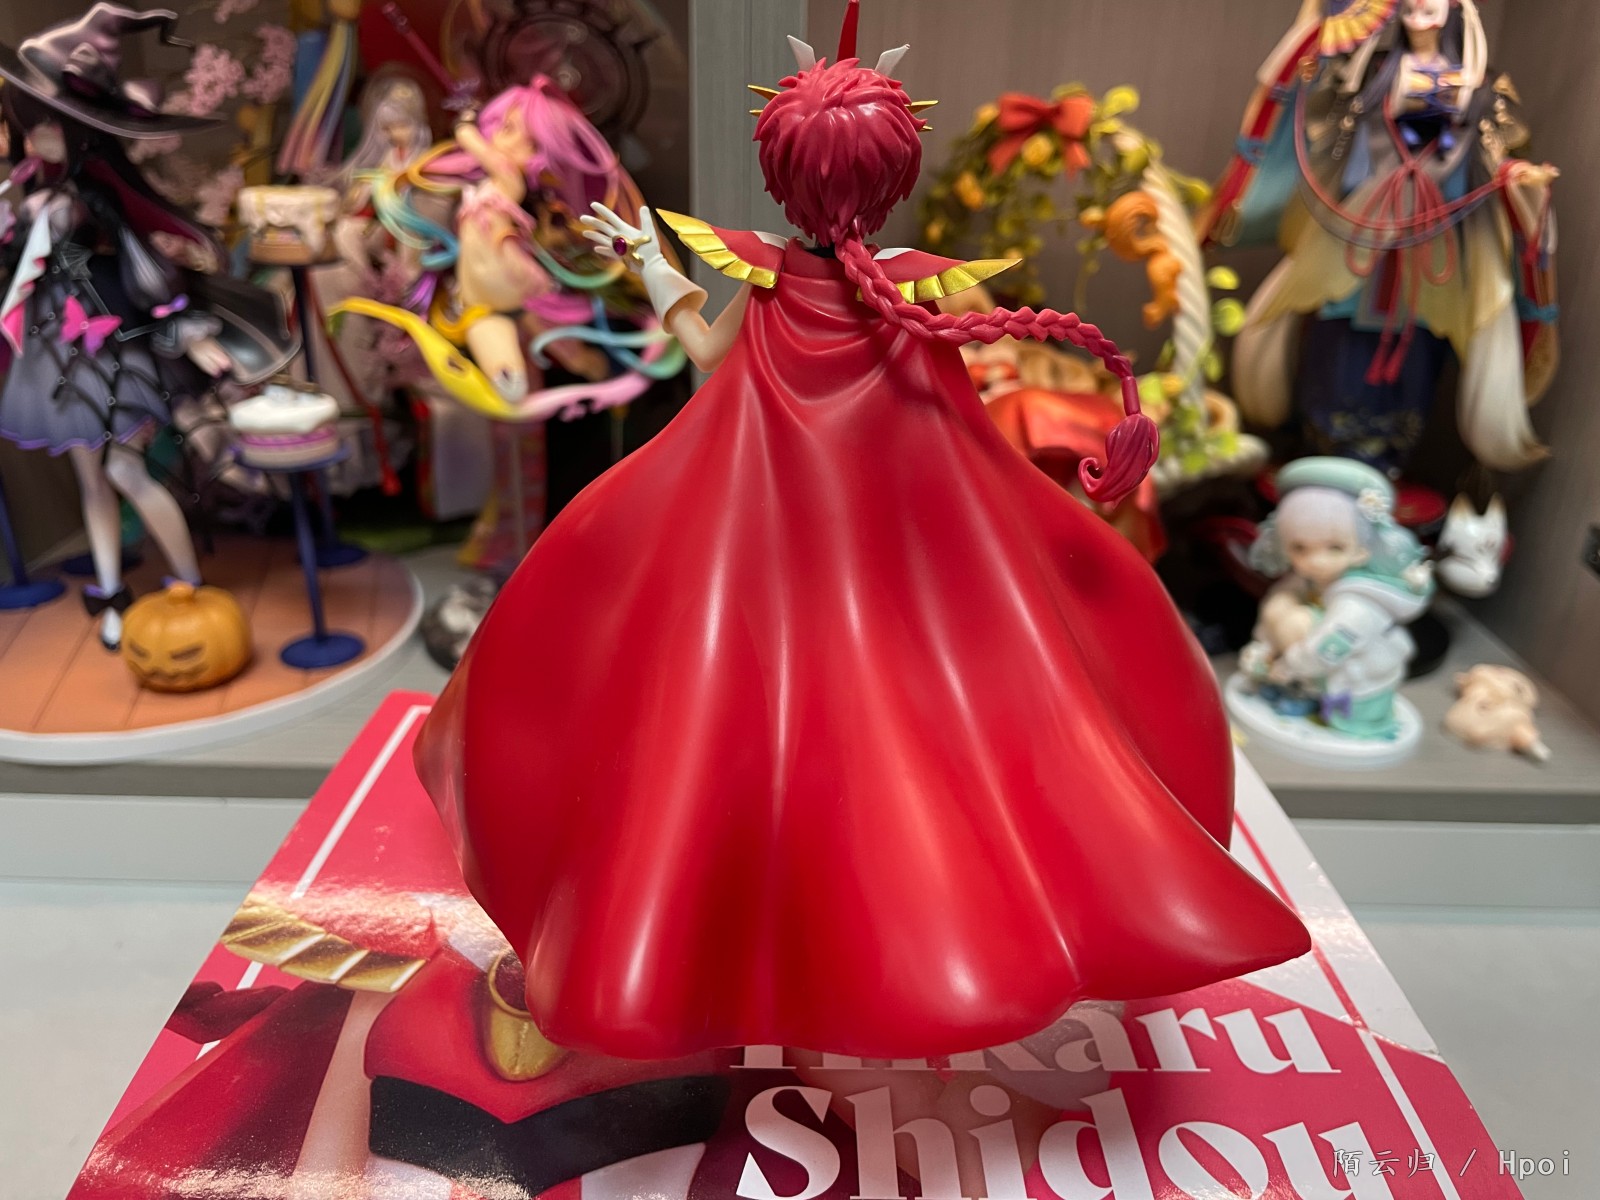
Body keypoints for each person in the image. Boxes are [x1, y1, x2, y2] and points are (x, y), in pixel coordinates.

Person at [415, 7, 1310, 1060]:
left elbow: (705, 353)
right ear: (897, 172)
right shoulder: (916, 295)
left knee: (705, 733)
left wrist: (649, 261)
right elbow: (947, 449)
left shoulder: (775, 283)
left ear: (779, 176)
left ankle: (733, 956)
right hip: (887, 587)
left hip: (761, 578)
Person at [0, 4, 296, 648]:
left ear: (79, 132)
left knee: (125, 471)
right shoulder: (31, 196)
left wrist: (188, 330)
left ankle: (188, 582)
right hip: (57, 353)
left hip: (116, 349)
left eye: (49, 125)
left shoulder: (92, 199)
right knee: (91, 478)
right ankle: (110, 590)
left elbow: (147, 274)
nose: (37, 138)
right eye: (31, 126)